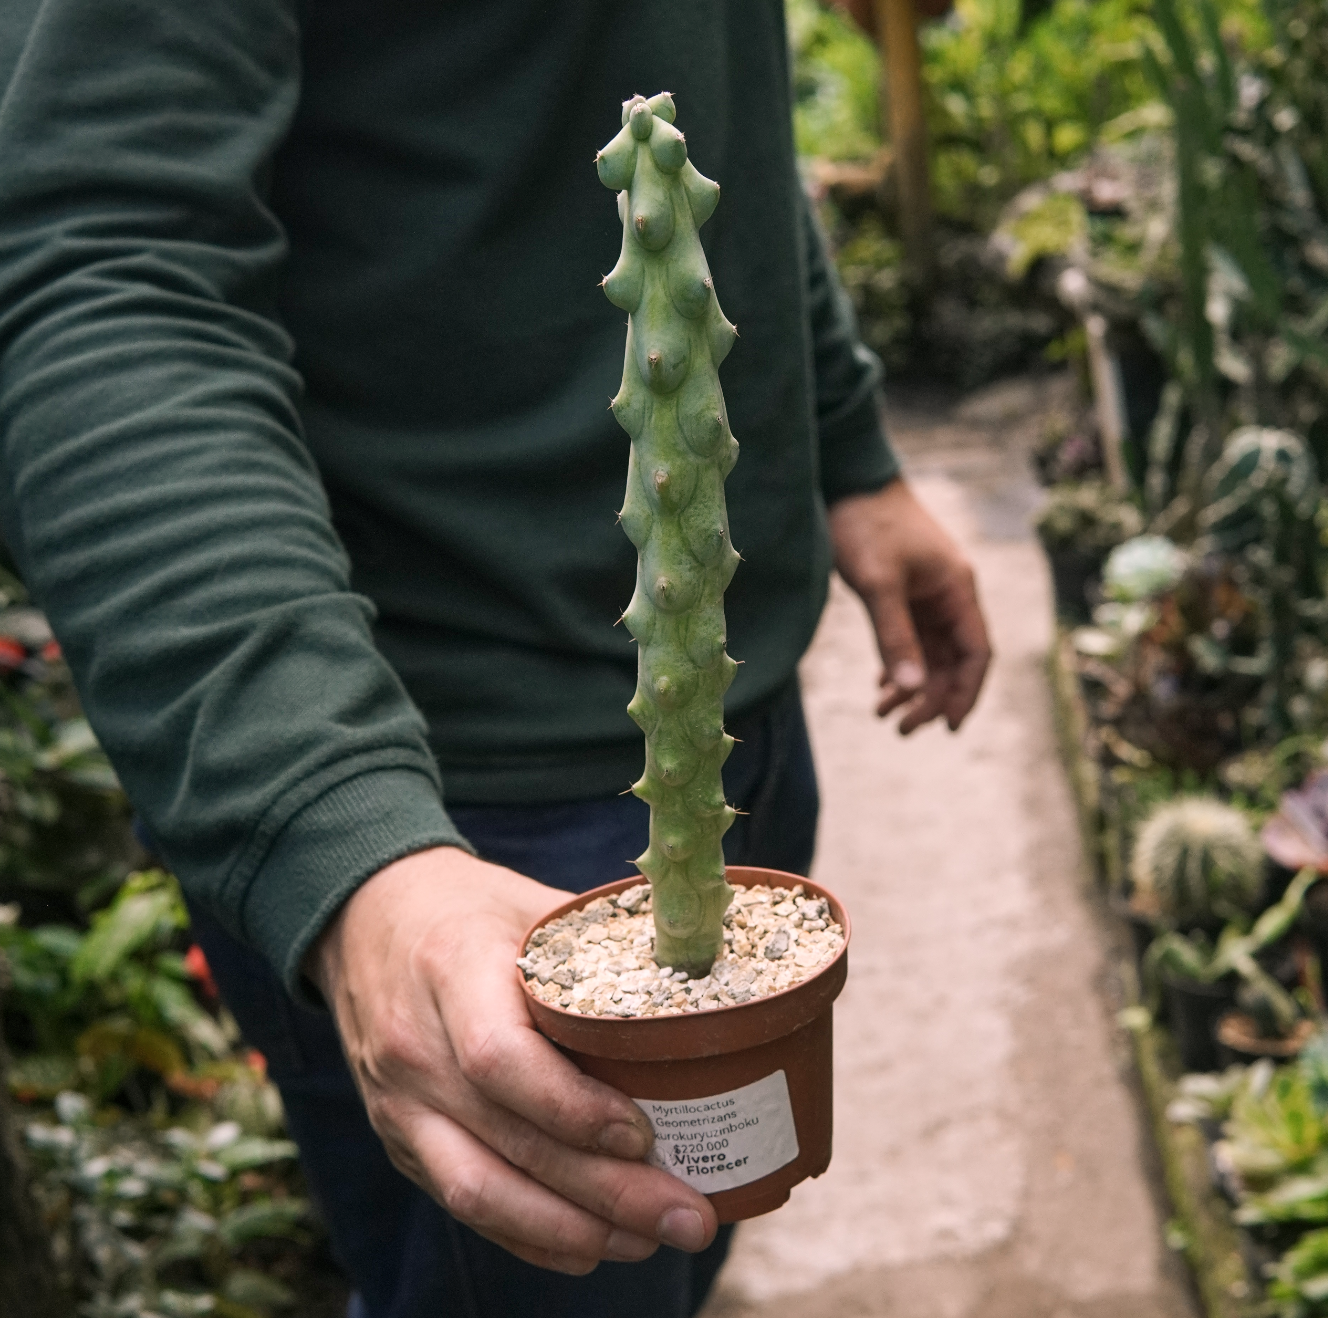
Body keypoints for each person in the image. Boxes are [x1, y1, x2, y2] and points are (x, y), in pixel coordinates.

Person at [0, 2, 991, 1315]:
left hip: (737, 721)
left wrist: (848, 444)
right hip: (444, 816)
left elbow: (692, 87)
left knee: (680, 1250)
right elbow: (98, 265)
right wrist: (348, 845)